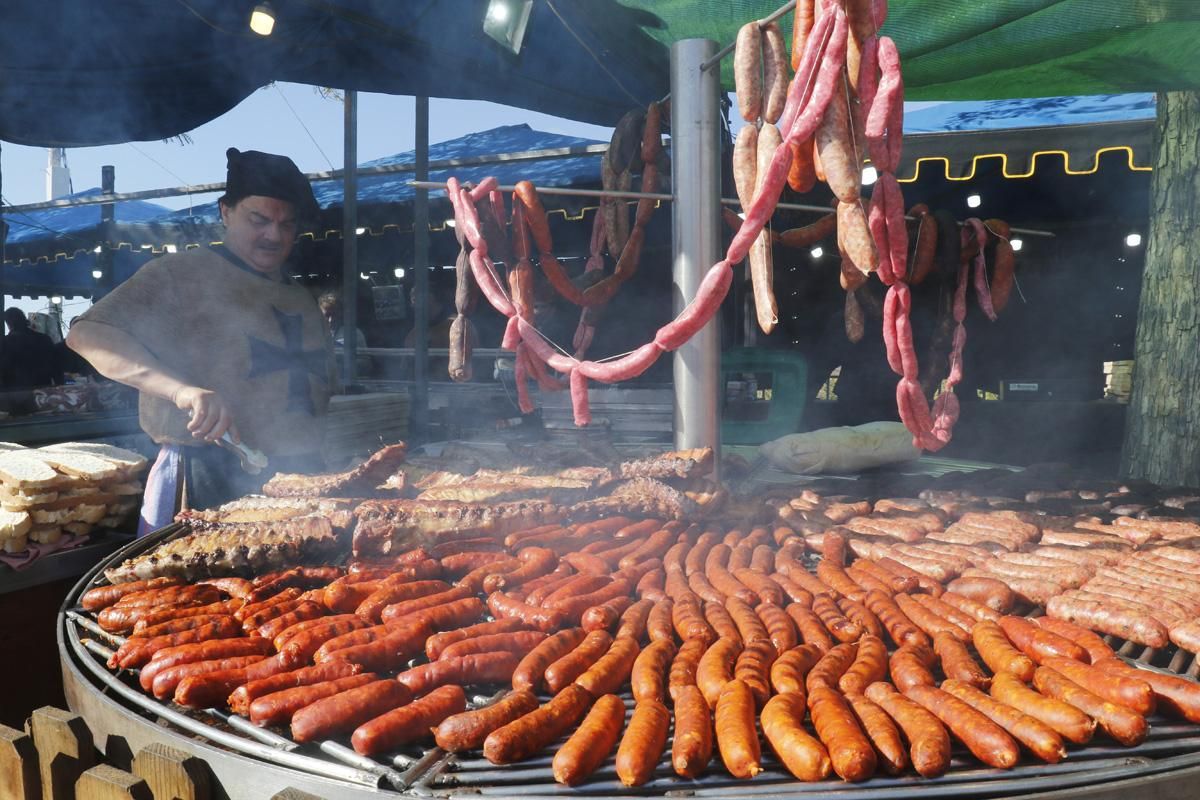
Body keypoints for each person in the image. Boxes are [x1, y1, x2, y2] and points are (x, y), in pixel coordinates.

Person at [67, 148, 335, 528]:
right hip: (207, 476)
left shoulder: (302, 299)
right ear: (225, 211)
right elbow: (87, 334)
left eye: (287, 224)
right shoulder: (180, 274)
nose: (273, 235)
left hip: (304, 477)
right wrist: (182, 391)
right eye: (258, 219)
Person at [0, 307, 63, 389]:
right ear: (24, 319)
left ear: (8, 323)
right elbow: (56, 367)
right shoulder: (44, 339)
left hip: (11, 393)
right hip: (42, 391)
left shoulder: (4, 342)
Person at [317, 290, 371, 378]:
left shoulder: (353, 333)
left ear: (340, 314)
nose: (331, 320)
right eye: (327, 315)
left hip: (346, 386)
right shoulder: (311, 334)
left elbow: (366, 364)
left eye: (334, 315)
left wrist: (343, 367)